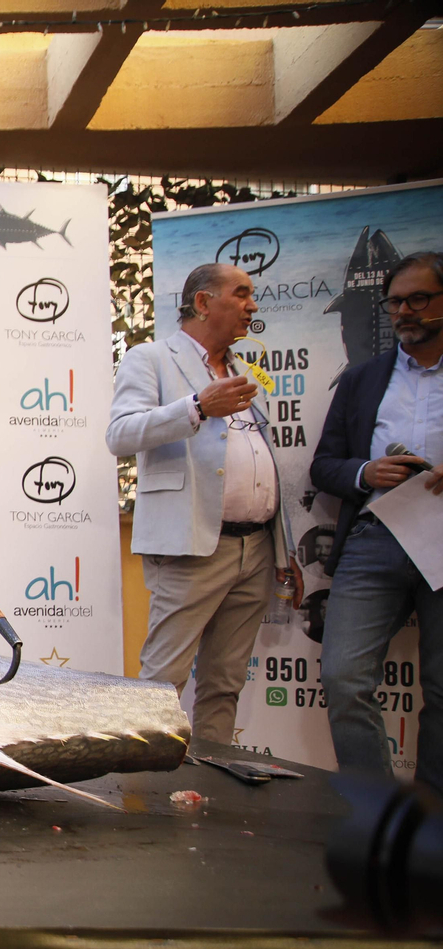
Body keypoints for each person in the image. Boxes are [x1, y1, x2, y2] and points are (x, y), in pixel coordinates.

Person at [106, 262, 299, 744]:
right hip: (191, 545)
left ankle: (212, 777)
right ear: (203, 302)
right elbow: (121, 434)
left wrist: (283, 547)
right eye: (241, 294)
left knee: (225, 682)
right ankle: (145, 783)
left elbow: (259, 457)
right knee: (162, 683)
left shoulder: (242, 368)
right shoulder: (151, 357)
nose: (252, 305)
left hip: (255, 548)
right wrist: (196, 407)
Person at [310, 251, 443, 793]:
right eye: (395, 302)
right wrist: (366, 471)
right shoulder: (363, 379)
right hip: (374, 538)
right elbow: (324, 465)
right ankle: (377, 809)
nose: (404, 312)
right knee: (343, 678)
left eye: (419, 300)